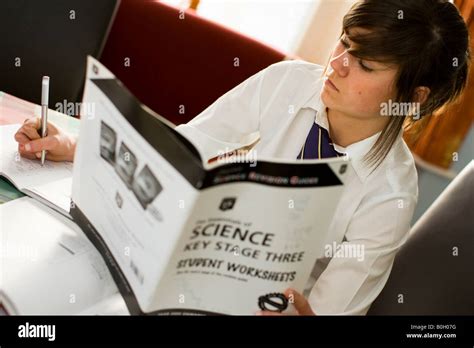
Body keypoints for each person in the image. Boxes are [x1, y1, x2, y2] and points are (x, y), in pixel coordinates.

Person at [14, 0, 470, 315]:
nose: (338, 65)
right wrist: (79, 146)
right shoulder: (289, 82)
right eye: (344, 43)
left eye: (365, 65)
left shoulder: (389, 195)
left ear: (412, 97)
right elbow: (189, 145)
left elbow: (332, 312)